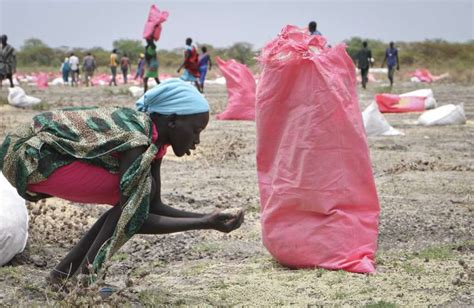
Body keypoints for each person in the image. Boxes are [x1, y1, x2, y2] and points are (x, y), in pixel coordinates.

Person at [0, 78, 245, 285]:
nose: (197, 141)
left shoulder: (154, 142)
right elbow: (134, 217)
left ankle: (62, 277)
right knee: (130, 201)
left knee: (134, 197)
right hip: (27, 156)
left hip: (39, 154)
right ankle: (84, 283)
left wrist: (209, 218)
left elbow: (154, 206)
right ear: (172, 121)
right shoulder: (137, 138)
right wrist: (203, 223)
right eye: (195, 131)